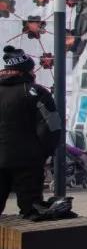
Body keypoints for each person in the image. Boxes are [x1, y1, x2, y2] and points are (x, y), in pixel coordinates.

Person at [0, 46, 60, 218]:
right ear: (27, 71)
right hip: (28, 161)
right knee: (32, 210)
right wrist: (44, 153)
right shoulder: (36, 92)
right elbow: (53, 126)